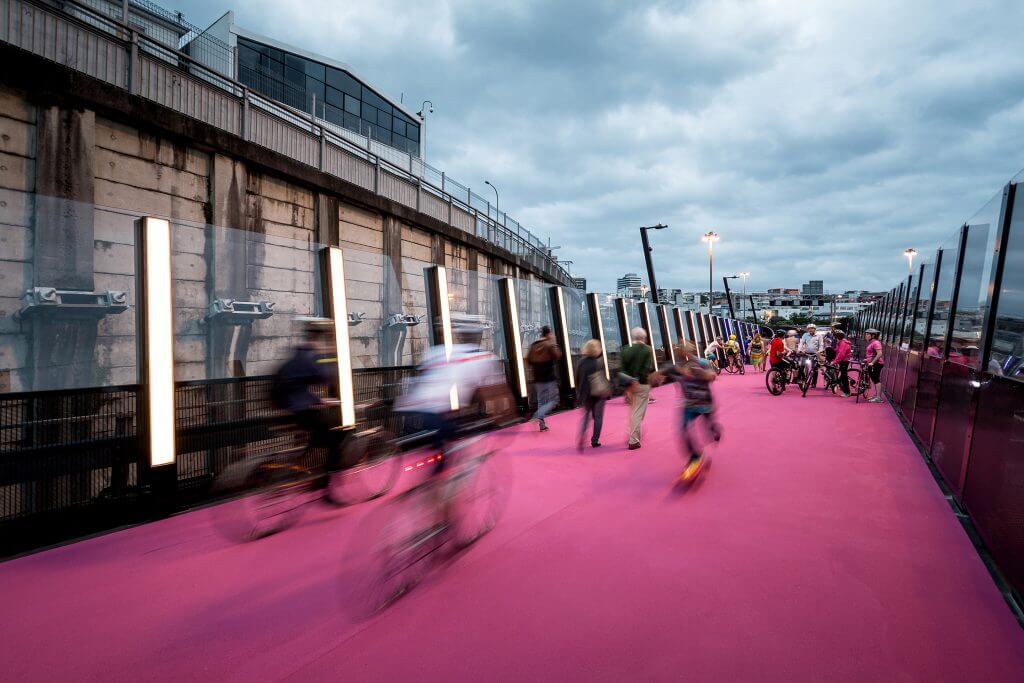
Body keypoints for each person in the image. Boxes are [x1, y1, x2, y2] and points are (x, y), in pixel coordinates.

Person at [271, 319, 345, 487]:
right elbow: (323, 378)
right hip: (301, 411)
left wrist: (318, 400)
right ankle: (326, 479)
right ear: (318, 337)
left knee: (317, 435)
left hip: (288, 408)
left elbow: (296, 385)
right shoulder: (308, 355)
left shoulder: (297, 354)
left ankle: (304, 465)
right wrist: (329, 354)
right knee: (338, 434)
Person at [657, 341, 721, 480]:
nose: (682, 354)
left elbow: (712, 375)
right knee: (682, 430)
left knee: (709, 431)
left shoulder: (702, 363)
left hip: (705, 404)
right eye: (680, 352)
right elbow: (658, 375)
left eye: (686, 352)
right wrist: (655, 377)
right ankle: (695, 457)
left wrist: (704, 375)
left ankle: (714, 429)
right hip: (689, 405)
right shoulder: (676, 367)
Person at [619, 327, 655, 450]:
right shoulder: (647, 349)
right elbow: (646, 368)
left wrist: (630, 381)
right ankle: (633, 440)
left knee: (633, 409)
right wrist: (637, 379)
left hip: (629, 385)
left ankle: (633, 433)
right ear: (643, 337)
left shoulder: (625, 350)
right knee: (638, 412)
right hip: (642, 384)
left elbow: (622, 369)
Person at [575, 339, 610, 451]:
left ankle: (581, 436)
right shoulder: (599, 362)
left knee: (586, 416)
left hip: (585, 394)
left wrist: (579, 392)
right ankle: (595, 440)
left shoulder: (580, 362)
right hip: (598, 393)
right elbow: (603, 378)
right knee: (598, 417)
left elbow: (577, 379)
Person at [526, 325, 561, 432]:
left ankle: (542, 426)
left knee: (541, 400)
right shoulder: (549, 344)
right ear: (548, 333)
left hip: (537, 378)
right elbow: (558, 355)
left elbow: (529, 360)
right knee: (554, 400)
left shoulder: (533, 345)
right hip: (549, 377)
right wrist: (553, 342)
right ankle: (537, 415)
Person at [863, 328, 885, 403]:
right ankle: (877, 395)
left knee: (876, 380)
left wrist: (872, 362)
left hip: (877, 364)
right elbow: (872, 354)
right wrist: (867, 360)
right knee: (875, 379)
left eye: (867, 334)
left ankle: (878, 398)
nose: (866, 336)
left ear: (872, 335)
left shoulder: (876, 343)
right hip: (873, 363)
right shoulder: (873, 343)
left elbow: (879, 354)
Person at [831, 330, 852, 397]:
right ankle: (839, 385)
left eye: (835, 337)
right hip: (842, 361)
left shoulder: (843, 343)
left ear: (837, 337)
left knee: (844, 377)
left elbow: (841, 354)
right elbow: (837, 351)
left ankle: (847, 392)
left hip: (844, 361)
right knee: (842, 376)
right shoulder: (840, 342)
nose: (834, 338)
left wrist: (834, 362)